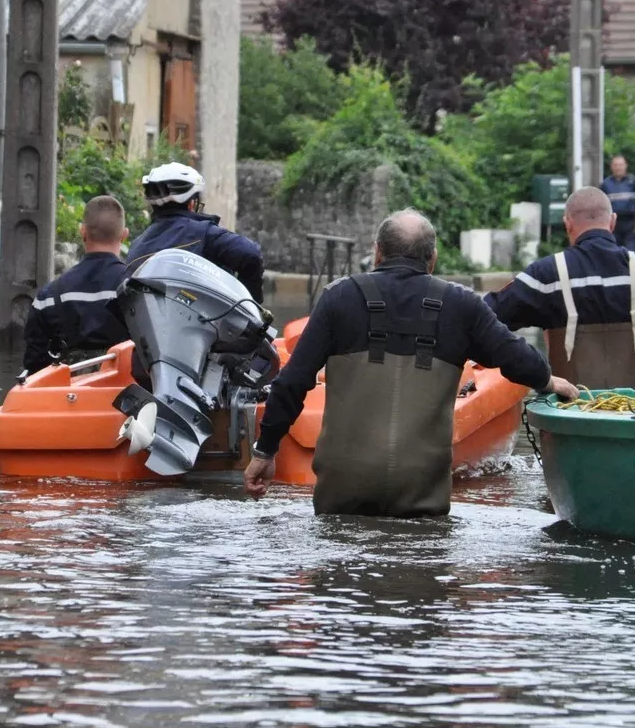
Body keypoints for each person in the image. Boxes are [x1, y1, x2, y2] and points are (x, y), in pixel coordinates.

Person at [243, 209, 578, 516]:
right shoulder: (461, 306)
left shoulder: (338, 298)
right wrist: (549, 381)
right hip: (422, 487)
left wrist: (265, 451)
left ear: (377, 252)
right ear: (432, 258)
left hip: (343, 486)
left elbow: (292, 382)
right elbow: (516, 358)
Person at [484, 187, 635, 392]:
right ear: (613, 221)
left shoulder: (545, 275)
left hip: (573, 412)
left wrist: (531, 364)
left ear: (567, 224)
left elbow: (483, 320)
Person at [125, 162, 265, 302]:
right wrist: (251, 307)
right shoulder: (204, 233)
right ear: (192, 203)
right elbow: (251, 254)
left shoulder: (136, 246)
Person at [22, 195, 131, 375]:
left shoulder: (49, 296)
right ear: (124, 235)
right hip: (126, 396)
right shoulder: (136, 290)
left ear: (83, 232)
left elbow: (34, 366)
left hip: (67, 396)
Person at [600, 154, 635, 252]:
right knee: (614, 252)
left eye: (621, 165)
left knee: (632, 253)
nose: (618, 168)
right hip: (613, 224)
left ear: (625, 166)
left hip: (631, 224)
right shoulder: (605, 184)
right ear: (612, 167)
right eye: (616, 165)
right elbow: (601, 206)